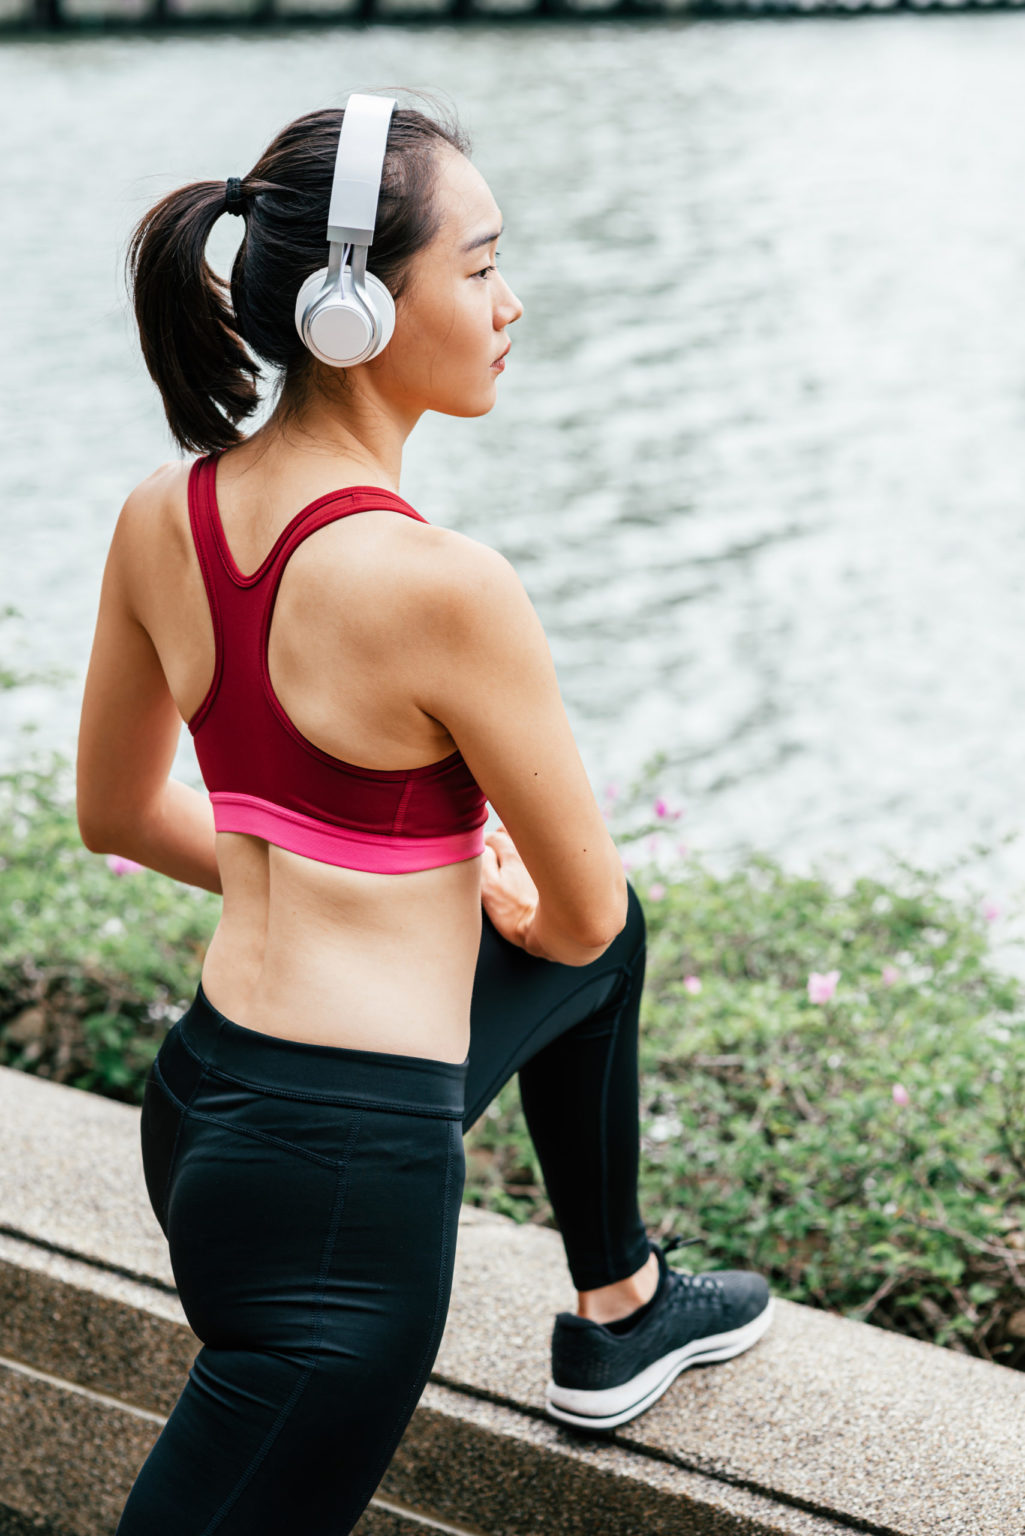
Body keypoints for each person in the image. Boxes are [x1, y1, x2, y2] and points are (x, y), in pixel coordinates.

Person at [75, 91, 773, 1536]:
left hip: (204, 1106)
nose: (509, 303)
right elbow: (570, 917)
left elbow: (116, 813)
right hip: (338, 1190)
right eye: (477, 266)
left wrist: (402, 879)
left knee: (607, 947)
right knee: (600, 927)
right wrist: (496, 890)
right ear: (350, 307)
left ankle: (622, 1304)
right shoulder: (446, 586)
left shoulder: (166, 512)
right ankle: (618, 1302)